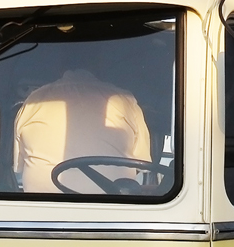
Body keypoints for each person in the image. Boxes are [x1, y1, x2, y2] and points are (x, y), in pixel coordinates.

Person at [14, 69, 151, 193]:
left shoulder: (33, 101)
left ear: (60, 69)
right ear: (100, 67)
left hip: (39, 210)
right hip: (111, 208)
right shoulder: (125, 100)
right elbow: (140, 163)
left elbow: (20, 164)